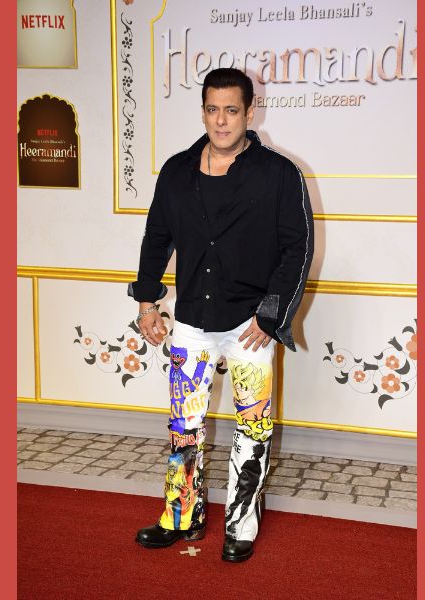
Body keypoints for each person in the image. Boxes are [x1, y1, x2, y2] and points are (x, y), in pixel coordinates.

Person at [130, 67, 314, 563]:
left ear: (250, 112)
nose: (221, 120)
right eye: (213, 109)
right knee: (183, 428)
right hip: (191, 321)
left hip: (251, 327)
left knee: (252, 430)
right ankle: (181, 516)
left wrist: (271, 315)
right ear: (203, 112)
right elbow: (156, 238)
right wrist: (147, 302)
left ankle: (241, 525)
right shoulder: (176, 171)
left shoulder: (279, 174)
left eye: (232, 110)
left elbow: (297, 248)